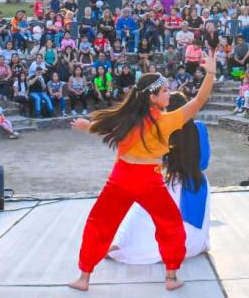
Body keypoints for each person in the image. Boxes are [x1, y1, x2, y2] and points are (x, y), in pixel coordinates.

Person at [66, 53, 216, 292]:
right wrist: (211, 73)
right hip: (148, 181)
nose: (170, 93)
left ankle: (84, 277)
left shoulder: (127, 119)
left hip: (120, 178)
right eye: (165, 91)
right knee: (170, 224)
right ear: (153, 97)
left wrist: (87, 126)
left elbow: (103, 128)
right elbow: (198, 101)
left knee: (100, 223)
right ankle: (171, 276)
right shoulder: (167, 121)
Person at [108, 93, 211, 264]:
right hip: (197, 185)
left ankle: (120, 244)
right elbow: (204, 162)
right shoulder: (199, 128)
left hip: (173, 182)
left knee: (140, 209)